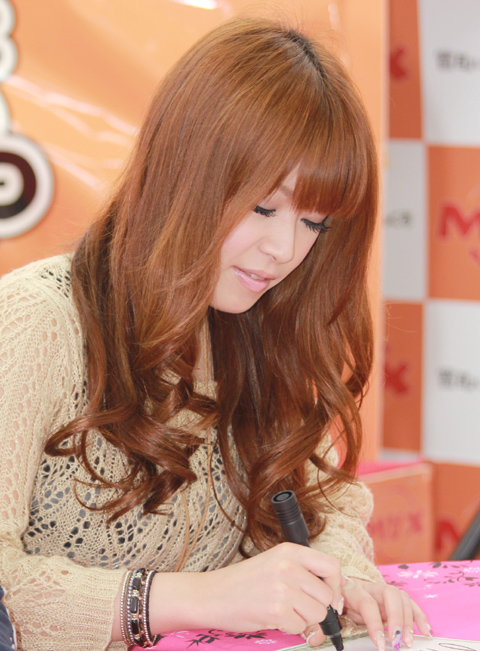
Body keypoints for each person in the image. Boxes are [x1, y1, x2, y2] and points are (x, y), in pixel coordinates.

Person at [0, 16, 431, 651]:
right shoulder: (37, 322)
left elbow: (328, 507)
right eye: (263, 207)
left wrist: (342, 577)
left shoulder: (260, 325)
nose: (284, 249)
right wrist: (199, 598)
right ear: (184, 170)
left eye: (314, 223)